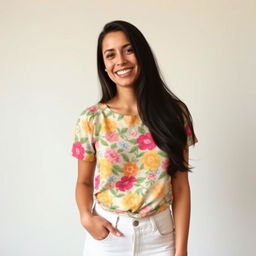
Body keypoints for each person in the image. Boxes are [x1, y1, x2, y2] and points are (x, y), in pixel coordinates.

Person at [71, 20, 197, 256]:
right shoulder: (91, 119)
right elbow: (84, 182)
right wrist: (86, 217)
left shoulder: (174, 113)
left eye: (128, 50)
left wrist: (181, 251)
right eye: (110, 55)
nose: (120, 60)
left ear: (142, 54)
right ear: (105, 66)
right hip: (108, 236)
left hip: (160, 238)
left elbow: (180, 186)